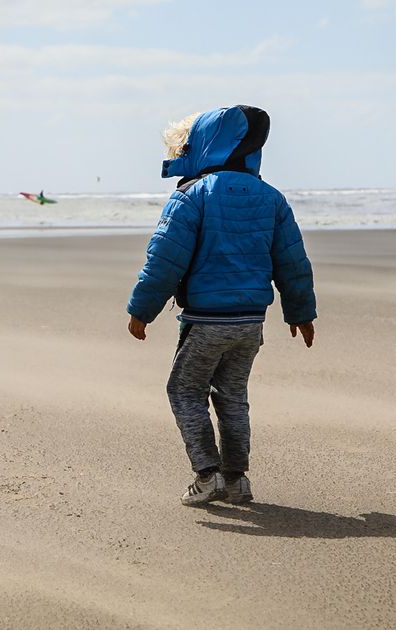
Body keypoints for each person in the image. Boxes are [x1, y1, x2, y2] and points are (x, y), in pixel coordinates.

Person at [126, 105, 316, 506]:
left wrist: (142, 309)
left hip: (206, 320)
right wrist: (300, 312)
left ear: (206, 146)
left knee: (184, 390)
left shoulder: (192, 195)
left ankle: (207, 474)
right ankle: (237, 480)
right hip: (250, 323)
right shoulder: (271, 197)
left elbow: (165, 259)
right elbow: (292, 260)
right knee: (232, 394)